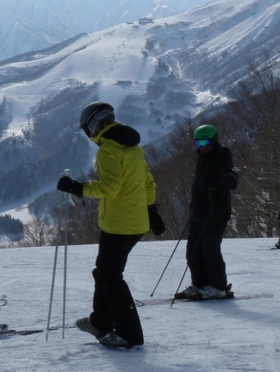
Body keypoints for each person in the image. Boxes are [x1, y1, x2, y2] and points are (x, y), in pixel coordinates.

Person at [58, 102, 165, 350]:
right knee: (104, 273)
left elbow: (110, 188)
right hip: (135, 222)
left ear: (92, 127)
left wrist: (77, 187)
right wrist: (151, 211)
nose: (89, 135)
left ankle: (129, 334)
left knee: (111, 277)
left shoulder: (107, 151)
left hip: (119, 224)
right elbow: (148, 182)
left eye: (87, 130)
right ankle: (100, 322)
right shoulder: (132, 148)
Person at [181, 125, 239, 299]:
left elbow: (232, 177)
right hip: (199, 212)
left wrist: (221, 188)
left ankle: (218, 287)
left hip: (216, 213)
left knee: (210, 250)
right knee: (193, 251)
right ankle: (199, 284)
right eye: (198, 142)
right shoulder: (202, 160)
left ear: (214, 140)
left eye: (206, 141)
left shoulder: (222, 158)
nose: (202, 146)